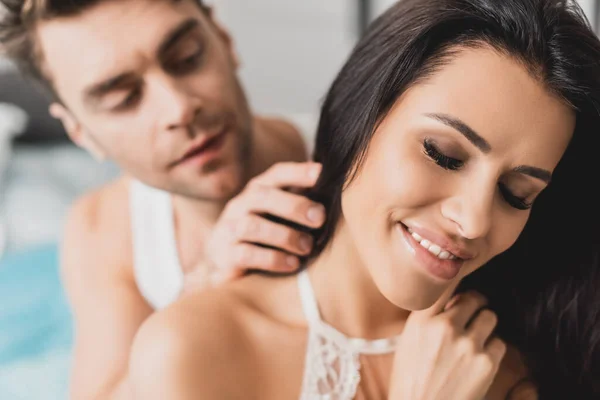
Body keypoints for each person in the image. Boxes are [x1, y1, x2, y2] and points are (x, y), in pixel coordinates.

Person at [128, 0, 600, 398]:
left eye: (516, 195)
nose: (474, 220)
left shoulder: (519, 362)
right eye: (442, 154)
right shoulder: (193, 350)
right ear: (360, 117)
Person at [0, 1, 327, 399]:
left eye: (187, 58)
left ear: (224, 41)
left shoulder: (359, 160)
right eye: (123, 98)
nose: (179, 108)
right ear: (80, 133)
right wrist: (204, 289)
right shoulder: (105, 229)